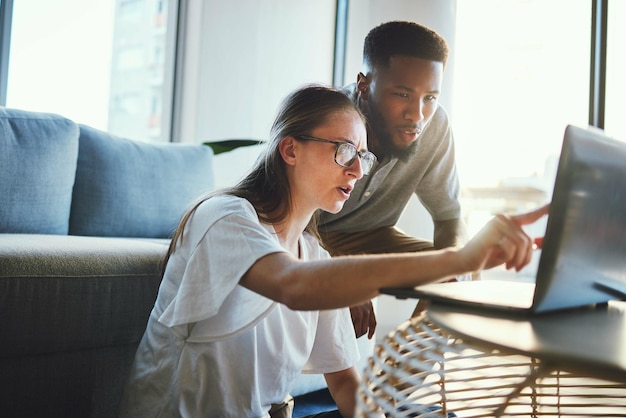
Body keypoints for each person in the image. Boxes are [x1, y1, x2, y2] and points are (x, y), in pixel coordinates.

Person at [117, 84, 548, 418]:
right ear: (290, 148)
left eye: (363, 155)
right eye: (344, 150)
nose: (358, 170)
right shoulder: (226, 217)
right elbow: (293, 287)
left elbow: (345, 382)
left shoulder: (312, 253)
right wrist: (460, 258)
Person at [318, 21, 469, 338]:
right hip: (310, 234)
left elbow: (449, 217)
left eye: (429, 97)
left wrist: (451, 268)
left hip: (374, 237)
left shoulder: (435, 125)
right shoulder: (326, 122)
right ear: (363, 85)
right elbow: (286, 224)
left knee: (461, 270)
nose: (416, 115)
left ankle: (397, 379)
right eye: (402, 94)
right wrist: (343, 276)